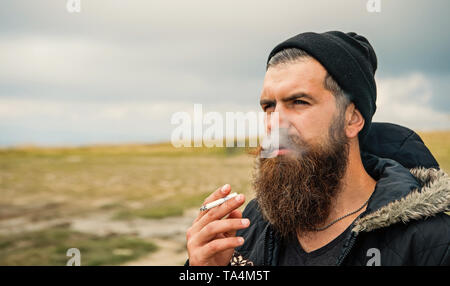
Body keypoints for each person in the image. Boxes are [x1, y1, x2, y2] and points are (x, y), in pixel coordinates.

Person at [185, 31, 450, 266]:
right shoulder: (247, 226)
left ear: (352, 118)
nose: (275, 123)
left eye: (299, 102)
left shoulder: (432, 243)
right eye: (268, 106)